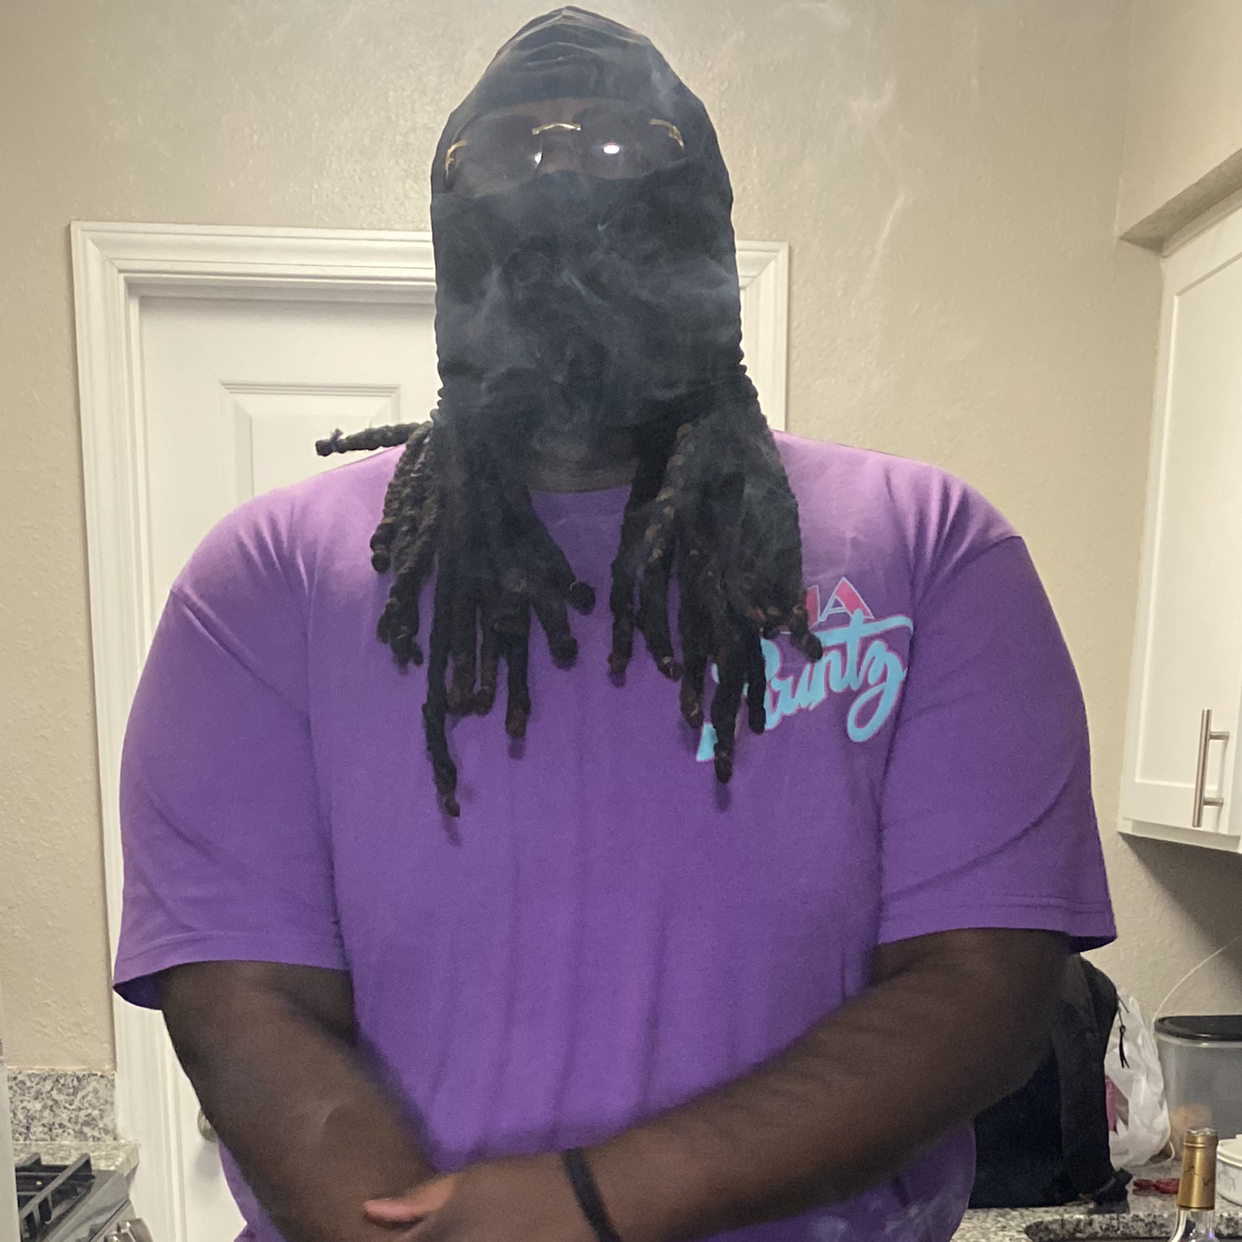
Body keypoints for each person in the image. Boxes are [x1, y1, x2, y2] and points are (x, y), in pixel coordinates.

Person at [113, 10, 1116, 1242]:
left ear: (710, 227)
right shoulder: (261, 584)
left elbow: (986, 987)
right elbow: (244, 997)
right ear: (448, 246)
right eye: (509, 152)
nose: (563, 175)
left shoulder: (935, 550)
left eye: (617, 145)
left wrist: (590, 1205)